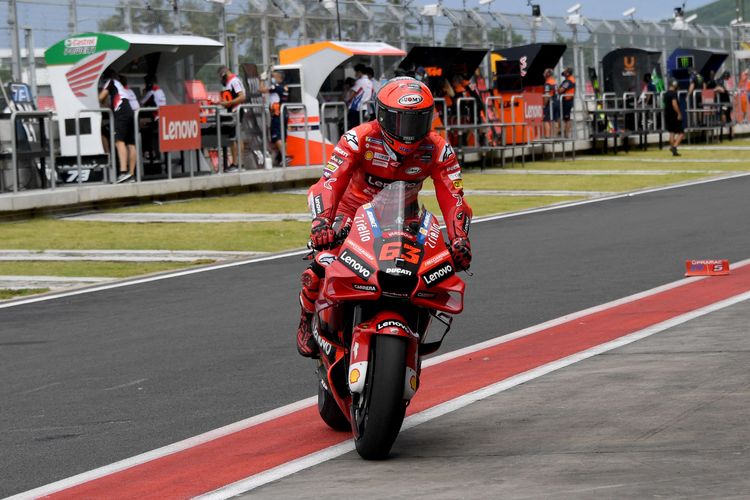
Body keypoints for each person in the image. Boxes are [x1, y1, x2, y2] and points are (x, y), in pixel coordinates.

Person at [296, 77, 473, 358]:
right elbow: (328, 183)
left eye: (417, 121)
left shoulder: (439, 148)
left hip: (405, 219)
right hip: (350, 217)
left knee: (435, 270)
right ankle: (306, 319)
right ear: (382, 115)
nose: (409, 131)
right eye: (401, 121)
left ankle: (413, 329)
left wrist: (460, 239)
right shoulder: (358, 138)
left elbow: (455, 198)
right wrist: (322, 223)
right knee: (322, 262)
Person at [99, 69, 136, 183]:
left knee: (119, 142)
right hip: (130, 111)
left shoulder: (110, 81)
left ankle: (123, 172)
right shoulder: (121, 86)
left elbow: (101, 97)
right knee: (131, 144)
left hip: (121, 113)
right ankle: (131, 174)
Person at [217, 65, 247, 172]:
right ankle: (238, 163)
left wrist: (229, 103)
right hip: (233, 111)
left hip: (236, 111)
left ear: (223, 74)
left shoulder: (234, 81)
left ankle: (236, 164)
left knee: (235, 137)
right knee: (234, 137)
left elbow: (242, 97)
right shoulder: (231, 82)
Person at [263, 70, 289, 166]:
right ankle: (284, 158)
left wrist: (262, 79)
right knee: (283, 137)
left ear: (279, 77)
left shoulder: (277, 87)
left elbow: (261, 89)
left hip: (277, 114)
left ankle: (285, 156)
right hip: (284, 113)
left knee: (276, 136)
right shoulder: (285, 87)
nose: (272, 79)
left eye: (273, 77)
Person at [346, 63, 373, 128]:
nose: (355, 74)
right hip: (365, 107)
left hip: (356, 108)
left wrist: (347, 101)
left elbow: (352, 94)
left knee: (352, 127)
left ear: (359, 72)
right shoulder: (370, 82)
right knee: (359, 127)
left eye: (355, 72)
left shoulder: (360, 81)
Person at [663, 80, 684, 156]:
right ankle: (674, 147)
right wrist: (679, 113)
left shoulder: (665, 94)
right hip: (674, 115)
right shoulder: (673, 94)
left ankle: (673, 149)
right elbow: (674, 104)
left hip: (667, 115)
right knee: (681, 133)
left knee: (672, 132)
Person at [556, 67, 576, 138]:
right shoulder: (569, 79)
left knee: (567, 118)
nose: (563, 72)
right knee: (564, 117)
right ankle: (563, 132)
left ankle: (566, 134)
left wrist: (558, 89)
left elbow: (560, 90)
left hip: (567, 102)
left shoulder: (568, 81)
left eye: (565, 71)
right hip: (567, 101)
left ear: (568, 73)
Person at [714, 70, 733, 139]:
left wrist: (715, 90)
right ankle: (727, 135)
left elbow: (721, 89)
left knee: (724, 115)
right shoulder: (721, 81)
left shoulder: (722, 83)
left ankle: (728, 135)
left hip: (725, 103)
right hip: (725, 103)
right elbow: (720, 89)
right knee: (727, 117)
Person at [542, 68, 557, 137]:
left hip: (550, 103)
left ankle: (547, 136)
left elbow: (547, 95)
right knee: (554, 119)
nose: (543, 74)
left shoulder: (547, 83)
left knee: (546, 119)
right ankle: (554, 135)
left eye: (544, 73)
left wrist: (544, 105)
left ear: (547, 74)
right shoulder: (554, 81)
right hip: (556, 101)